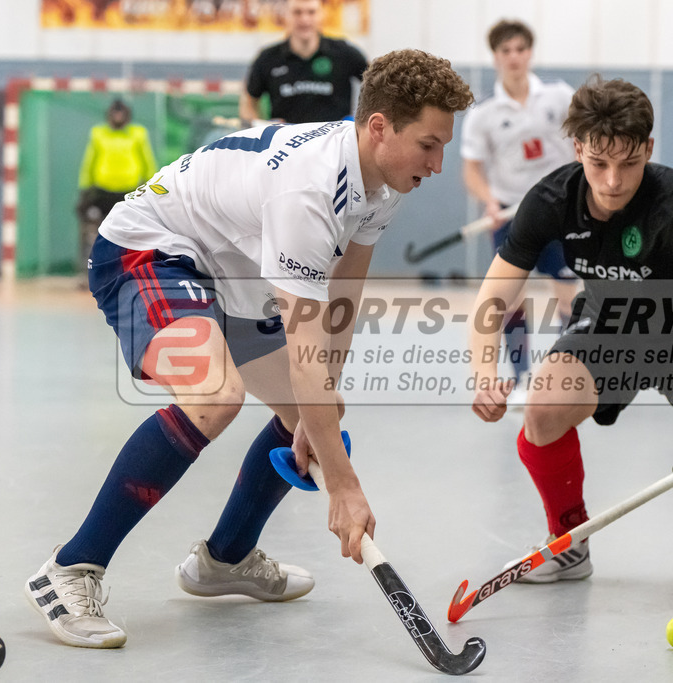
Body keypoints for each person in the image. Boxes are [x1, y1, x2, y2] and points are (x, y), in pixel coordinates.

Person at [25, 49, 473, 649]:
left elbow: (345, 289)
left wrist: (323, 407)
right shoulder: (310, 192)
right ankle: (71, 568)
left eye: (443, 145)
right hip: (151, 250)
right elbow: (304, 333)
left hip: (233, 274)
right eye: (429, 145)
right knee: (214, 396)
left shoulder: (385, 179)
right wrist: (342, 487)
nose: (438, 164)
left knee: (320, 414)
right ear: (379, 126)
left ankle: (224, 560)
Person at [468, 77, 673, 583]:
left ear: (648, 148)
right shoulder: (550, 200)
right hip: (607, 330)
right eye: (598, 163)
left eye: (629, 163)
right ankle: (570, 542)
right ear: (577, 147)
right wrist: (484, 371)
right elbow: (493, 296)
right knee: (541, 412)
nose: (612, 181)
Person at [460, 19, 578, 405]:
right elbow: (472, 171)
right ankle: (523, 378)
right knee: (510, 300)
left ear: (530, 52)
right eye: (505, 51)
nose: (514, 57)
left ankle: (566, 376)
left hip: (560, 216)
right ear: (495, 56)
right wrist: (489, 201)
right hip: (512, 218)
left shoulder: (559, 97)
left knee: (567, 296)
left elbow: (586, 138)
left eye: (520, 49)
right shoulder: (484, 114)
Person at [239, 0, 367, 125]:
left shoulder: (345, 53)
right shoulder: (268, 58)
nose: (304, 19)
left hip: (333, 143)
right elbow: (248, 102)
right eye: (297, 12)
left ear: (322, 15)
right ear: (286, 15)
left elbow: (378, 84)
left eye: (311, 12)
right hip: (285, 143)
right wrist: (259, 127)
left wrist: (364, 124)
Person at [76, 99, 157, 269]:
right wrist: (84, 190)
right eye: (115, 113)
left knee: (134, 232)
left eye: (121, 114)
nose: (118, 117)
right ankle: (88, 271)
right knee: (91, 233)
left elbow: (147, 161)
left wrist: (152, 187)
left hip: (128, 192)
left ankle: (136, 268)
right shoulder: (98, 133)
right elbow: (89, 161)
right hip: (101, 192)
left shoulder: (138, 133)